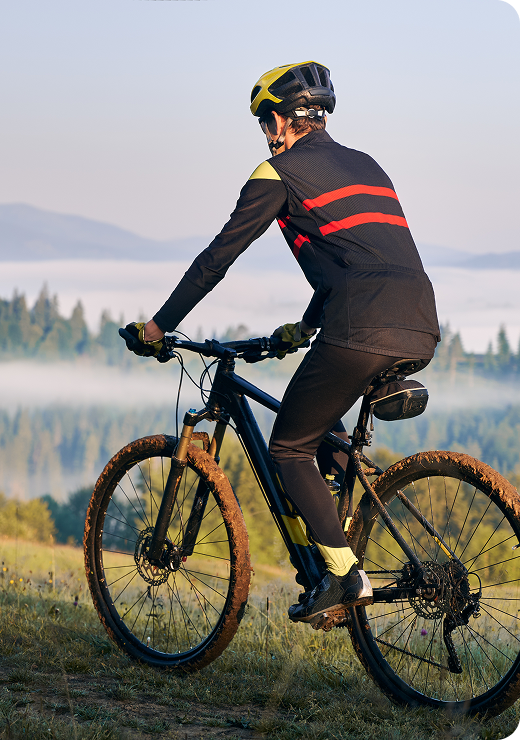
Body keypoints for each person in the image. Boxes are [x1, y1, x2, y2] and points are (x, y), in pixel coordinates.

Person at [122, 61, 441, 626]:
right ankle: (350, 522)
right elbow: (356, 258)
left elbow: (217, 258)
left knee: (288, 447)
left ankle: (345, 575)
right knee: (322, 429)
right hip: (419, 319)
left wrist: (158, 326)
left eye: (263, 120)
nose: (264, 133)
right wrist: (302, 328)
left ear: (280, 119)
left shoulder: (279, 172)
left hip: (360, 324)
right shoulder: (368, 165)